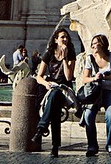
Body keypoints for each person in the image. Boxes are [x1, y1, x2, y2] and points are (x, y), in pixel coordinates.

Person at [32, 28, 76, 157]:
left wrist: (65, 58)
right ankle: (54, 147)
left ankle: (42, 127)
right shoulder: (49, 53)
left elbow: (68, 77)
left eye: (66, 37)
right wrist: (46, 84)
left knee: (56, 95)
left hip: (64, 90)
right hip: (51, 88)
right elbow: (39, 76)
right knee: (55, 111)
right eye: (62, 37)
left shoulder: (71, 53)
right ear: (56, 40)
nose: (65, 39)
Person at [82, 34, 111, 157]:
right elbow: (84, 79)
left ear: (103, 44)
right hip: (95, 93)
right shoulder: (90, 59)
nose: (93, 46)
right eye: (93, 43)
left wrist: (110, 76)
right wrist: (94, 78)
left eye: (96, 43)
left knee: (110, 115)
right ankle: (92, 146)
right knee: (88, 115)